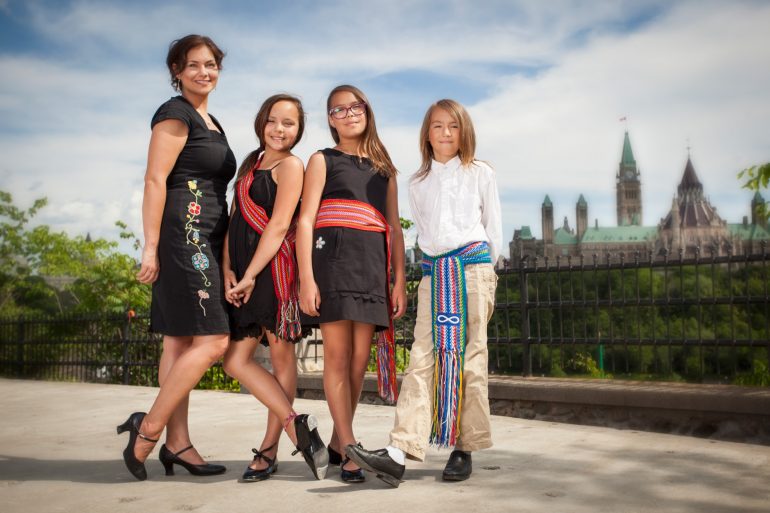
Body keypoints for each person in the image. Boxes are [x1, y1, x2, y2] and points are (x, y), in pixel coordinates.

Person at [117, 36, 324, 482]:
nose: (204, 72)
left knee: (179, 343)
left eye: (211, 64)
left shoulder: (211, 122)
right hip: (186, 233)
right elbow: (154, 180)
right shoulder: (175, 114)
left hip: (209, 238)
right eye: (193, 65)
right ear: (177, 71)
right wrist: (151, 245)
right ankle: (148, 428)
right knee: (214, 342)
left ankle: (178, 443)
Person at [347, 99, 502, 487]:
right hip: (436, 275)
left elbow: (492, 228)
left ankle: (464, 447)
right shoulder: (418, 182)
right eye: (437, 126)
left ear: (464, 131)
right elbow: (424, 231)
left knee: (470, 358)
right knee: (421, 359)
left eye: (453, 125)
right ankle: (399, 451)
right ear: (427, 134)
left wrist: (485, 273)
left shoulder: (481, 173)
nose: (446, 133)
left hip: (472, 269)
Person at [296, 85, 407, 483]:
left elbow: (394, 228)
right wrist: (306, 278)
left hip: (372, 267)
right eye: (338, 110)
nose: (348, 114)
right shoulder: (322, 159)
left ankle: (338, 443)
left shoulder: (385, 169)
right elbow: (305, 219)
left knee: (360, 361)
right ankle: (350, 448)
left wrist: (399, 280)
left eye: (354, 106)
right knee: (338, 357)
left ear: (367, 110)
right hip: (333, 264)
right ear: (330, 120)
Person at [222, 94, 327, 482]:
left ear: (298, 130)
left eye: (289, 123)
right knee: (234, 361)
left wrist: (251, 274)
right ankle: (296, 425)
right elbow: (235, 219)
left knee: (282, 361)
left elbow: (281, 224)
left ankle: (268, 450)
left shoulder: (292, 165)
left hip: (272, 274)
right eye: (272, 120)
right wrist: (228, 267)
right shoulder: (251, 163)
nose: (279, 129)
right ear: (260, 122)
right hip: (243, 273)